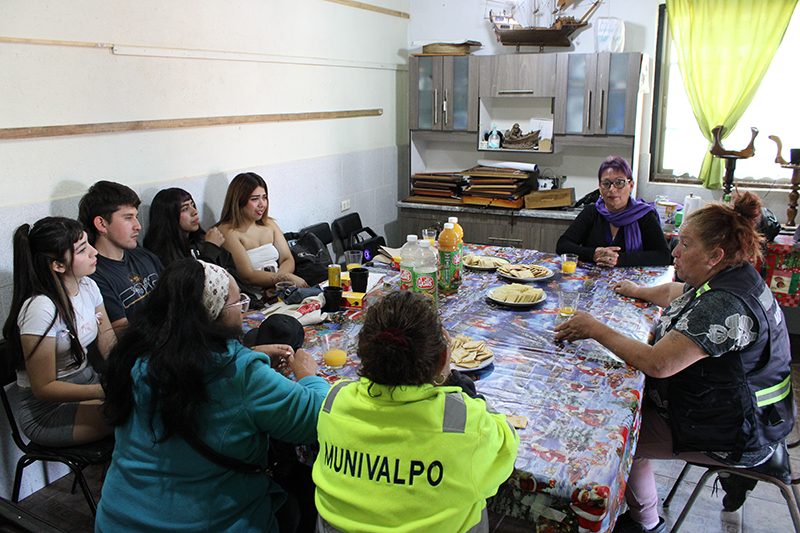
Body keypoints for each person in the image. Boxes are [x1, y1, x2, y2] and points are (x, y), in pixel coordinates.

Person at [554, 192, 794, 533]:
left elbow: (658, 364)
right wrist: (637, 290)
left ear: (715, 255)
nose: (675, 252)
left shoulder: (723, 304)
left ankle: (646, 523)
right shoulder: (733, 276)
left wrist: (594, 328)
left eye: (684, 244)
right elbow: (674, 293)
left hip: (734, 430)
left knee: (615, 436)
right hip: (751, 412)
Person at [96, 259, 329, 533]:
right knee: (294, 501)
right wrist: (307, 374)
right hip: (206, 522)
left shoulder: (134, 356)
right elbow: (316, 418)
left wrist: (251, 354)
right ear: (216, 314)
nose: (242, 312)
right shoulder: (240, 375)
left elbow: (188, 365)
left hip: (118, 518)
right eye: (237, 304)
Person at [313, 290, 519, 533]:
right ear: (443, 359)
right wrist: (462, 390)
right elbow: (507, 446)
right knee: (475, 496)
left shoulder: (334, 400)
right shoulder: (466, 423)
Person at [1, 217, 116, 446]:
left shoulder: (88, 286)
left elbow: (109, 343)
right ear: (58, 265)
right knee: (138, 413)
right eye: (83, 250)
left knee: (155, 396)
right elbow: (44, 389)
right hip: (47, 411)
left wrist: (134, 371)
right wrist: (104, 390)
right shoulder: (40, 308)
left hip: (89, 384)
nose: (94, 252)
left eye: (89, 243)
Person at [78, 181, 163, 336]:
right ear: (101, 224)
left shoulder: (145, 256)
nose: (138, 226)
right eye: (128, 218)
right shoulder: (94, 276)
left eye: (136, 217)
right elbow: (124, 335)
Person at [556, 156, 671, 267]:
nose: (612, 189)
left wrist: (619, 259)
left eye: (619, 183)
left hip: (633, 285)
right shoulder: (591, 212)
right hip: (592, 282)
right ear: (600, 187)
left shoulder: (644, 215)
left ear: (630, 186)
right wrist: (593, 254)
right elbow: (563, 245)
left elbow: (663, 255)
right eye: (606, 184)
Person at [218, 172, 308, 292]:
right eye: (255, 199)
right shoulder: (228, 232)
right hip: (253, 298)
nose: (262, 204)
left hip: (279, 291)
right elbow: (248, 276)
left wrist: (279, 283)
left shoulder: (269, 224)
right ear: (239, 201)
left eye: (264, 197)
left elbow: (287, 259)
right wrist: (282, 279)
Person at [143, 187, 227, 266]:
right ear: (169, 217)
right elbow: (195, 279)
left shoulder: (201, 239)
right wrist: (211, 248)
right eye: (185, 209)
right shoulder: (162, 254)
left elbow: (230, 271)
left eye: (192, 205)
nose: (195, 212)